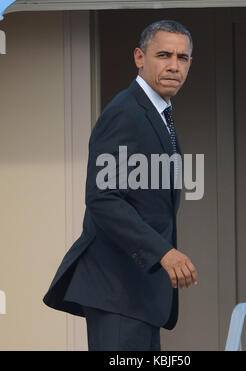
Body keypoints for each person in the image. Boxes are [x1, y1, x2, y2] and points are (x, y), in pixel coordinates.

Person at [43, 19, 198, 351]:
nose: (174, 66)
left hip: (137, 293)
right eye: (164, 55)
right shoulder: (126, 113)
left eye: (182, 58)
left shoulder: (159, 112)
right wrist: (163, 252)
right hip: (118, 290)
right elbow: (103, 198)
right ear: (140, 58)